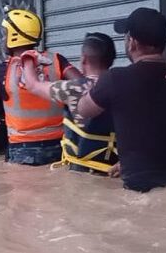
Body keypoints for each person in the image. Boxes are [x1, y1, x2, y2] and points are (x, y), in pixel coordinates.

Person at [77, 7, 166, 192]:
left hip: (145, 189)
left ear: (132, 42)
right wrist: (127, 161)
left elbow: (83, 109)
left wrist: (90, 81)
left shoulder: (115, 79)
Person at [0, 8, 82, 165]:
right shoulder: (57, 60)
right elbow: (82, 85)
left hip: (22, 149)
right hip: (61, 146)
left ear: (14, 36)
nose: (3, 39)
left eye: (6, 34)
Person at [21, 32, 119, 174]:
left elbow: (32, 85)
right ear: (112, 60)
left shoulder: (73, 89)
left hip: (81, 174)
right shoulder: (124, 88)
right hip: (114, 171)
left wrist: (27, 58)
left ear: (84, 59)